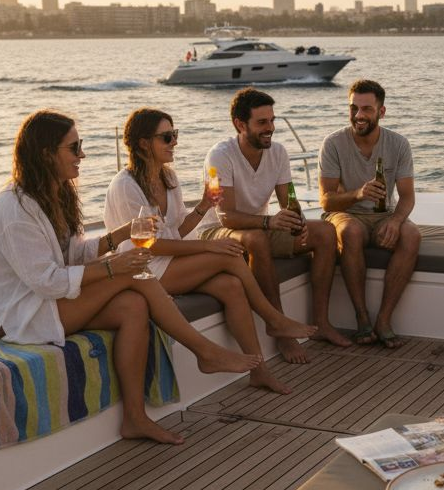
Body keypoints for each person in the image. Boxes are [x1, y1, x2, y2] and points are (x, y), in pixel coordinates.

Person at [0, 111, 260, 445]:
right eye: (75, 147)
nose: (82, 155)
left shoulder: (57, 195)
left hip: (47, 301)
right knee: (136, 277)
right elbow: (47, 281)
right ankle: (204, 351)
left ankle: (135, 419)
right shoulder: (12, 210)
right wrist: (114, 266)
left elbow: (74, 254)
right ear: (46, 153)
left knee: (134, 307)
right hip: (18, 315)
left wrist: (118, 236)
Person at [103, 108, 317, 395]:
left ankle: (259, 371)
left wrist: (204, 205)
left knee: (231, 286)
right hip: (142, 269)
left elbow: (176, 231)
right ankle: (274, 319)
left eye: (174, 135)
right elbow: (150, 245)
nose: (174, 142)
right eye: (167, 137)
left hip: (169, 262)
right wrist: (207, 245)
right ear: (143, 143)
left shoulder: (169, 179)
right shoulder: (126, 186)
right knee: (227, 253)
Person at [193, 88, 352, 363]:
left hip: (258, 227)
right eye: (262, 123)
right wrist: (268, 221)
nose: (270, 129)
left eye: (272, 121)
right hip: (216, 233)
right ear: (240, 125)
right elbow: (225, 215)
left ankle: (322, 322)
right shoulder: (219, 157)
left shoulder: (277, 152)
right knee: (257, 238)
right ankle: (280, 329)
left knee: (325, 232)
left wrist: (297, 219)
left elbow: (288, 197)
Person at [318, 80, 421, 348]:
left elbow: (407, 196)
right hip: (346, 213)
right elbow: (327, 201)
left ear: (381, 111)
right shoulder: (333, 143)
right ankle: (362, 317)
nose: (358, 115)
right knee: (350, 232)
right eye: (353, 108)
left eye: (366, 109)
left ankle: (384, 320)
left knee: (411, 236)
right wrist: (358, 194)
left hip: (383, 214)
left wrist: (397, 221)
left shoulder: (398, 144)